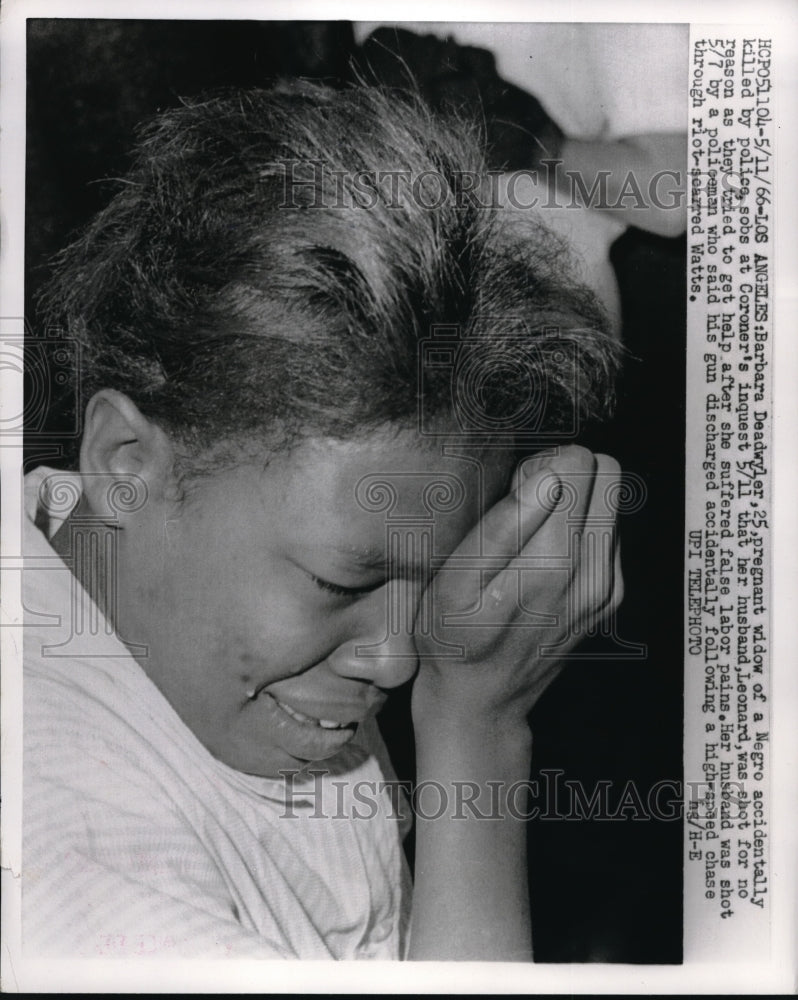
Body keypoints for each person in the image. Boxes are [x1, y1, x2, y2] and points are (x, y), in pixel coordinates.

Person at [22, 82, 622, 960]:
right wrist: (480, 734)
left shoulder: (186, 630)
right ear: (125, 465)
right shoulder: (63, 856)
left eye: (433, 575)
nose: (400, 655)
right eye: (346, 581)